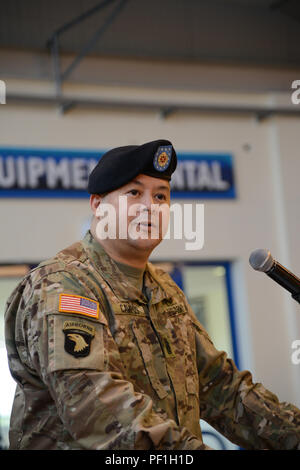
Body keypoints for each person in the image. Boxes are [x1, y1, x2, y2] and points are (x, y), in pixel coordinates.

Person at [4, 139, 300, 450]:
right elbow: (99, 408)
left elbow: (220, 387)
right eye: (134, 193)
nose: (150, 206)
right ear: (98, 204)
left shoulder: (163, 288)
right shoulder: (62, 284)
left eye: (161, 196)